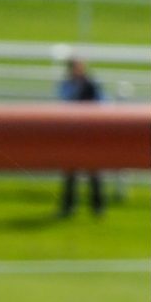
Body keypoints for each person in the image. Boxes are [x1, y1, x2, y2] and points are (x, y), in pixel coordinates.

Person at [57, 55, 106, 217]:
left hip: (90, 132)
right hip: (73, 133)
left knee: (94, 171)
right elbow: (65, 103)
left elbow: (102, 103)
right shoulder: (67, 84)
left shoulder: (91, 84)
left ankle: (97, 206)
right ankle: (68, 206)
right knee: (70, 171)